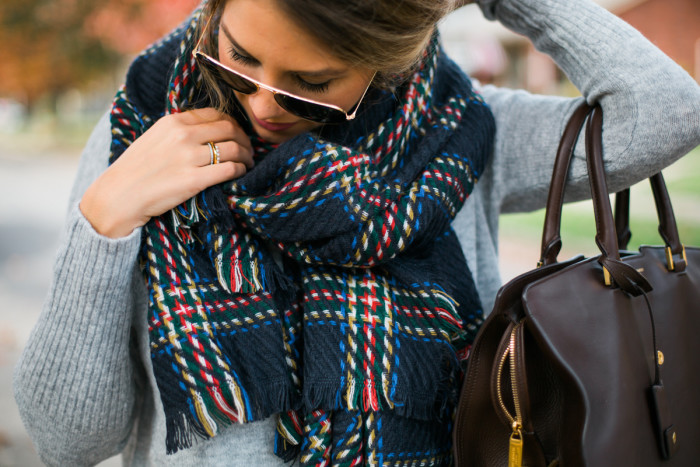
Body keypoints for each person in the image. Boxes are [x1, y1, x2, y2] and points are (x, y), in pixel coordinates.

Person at [13, 0, 700, 465]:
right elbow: (67, 438)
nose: (260, 104)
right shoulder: (139, 135)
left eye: (309, 84)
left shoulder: (459, 136)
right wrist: (102, 221)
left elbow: (665, 112)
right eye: (238, 59)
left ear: (385, 63)